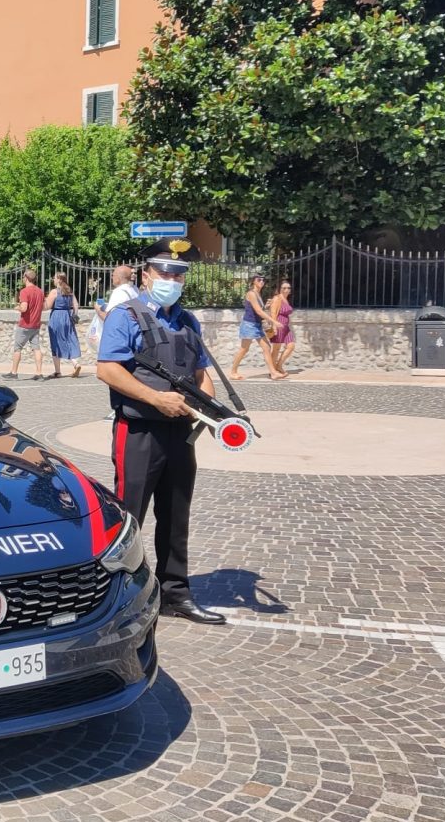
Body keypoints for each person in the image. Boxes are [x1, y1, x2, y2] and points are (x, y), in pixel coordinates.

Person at [96, 237, 225, 626]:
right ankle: (115, 595)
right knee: (128, 515)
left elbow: (202, 376)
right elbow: (108, 369)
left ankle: (175, 593)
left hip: (180, 433)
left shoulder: (187, 321)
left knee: (176, 514)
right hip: (139, 432)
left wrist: (209, 413)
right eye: (164, 271)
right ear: (146, 273)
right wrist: (156, 399)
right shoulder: (127, 315)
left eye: (179, 273)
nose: (171, 277)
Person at [230, 274, 287, 380]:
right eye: (259, 280)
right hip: (249, 325)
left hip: (256, 325)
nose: (262, 281)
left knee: (266, 347)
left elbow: (259, 309)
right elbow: (258, 311)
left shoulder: (257, 293)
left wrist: (266, 306)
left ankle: (273, 373)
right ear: (253, 281)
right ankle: (233, 372)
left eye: (263, 280)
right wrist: (274, 321)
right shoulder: (251, 293)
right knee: (244, 349)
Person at [4, 269, 44, 381]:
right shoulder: (40, 291)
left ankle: (14, 372)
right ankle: (39, 373)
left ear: (26, 277)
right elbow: (42, 306)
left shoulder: (24, 291)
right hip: (36, 325)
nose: (22, 278)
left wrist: (17, 307)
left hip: (25, 324)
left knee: (17, 348)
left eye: (23, 276)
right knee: (36, 348)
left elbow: (24, 308)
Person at [44, 273, 82, 378]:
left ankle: (58, 371)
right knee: (68, 339)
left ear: (59, 280)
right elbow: (76, 304)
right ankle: (75, 363)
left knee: (56, 341)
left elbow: (47, 306)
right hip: (67, 316)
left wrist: (40, 304)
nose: (53, 279)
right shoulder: (69, 291)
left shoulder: (54, 292)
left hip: (57, 317)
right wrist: (75, 315)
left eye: (54, 278)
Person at [268, 280, 296, 373]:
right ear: (280, 289)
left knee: (291, 346)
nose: (286, 290)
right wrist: (274, 326)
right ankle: (272, 370)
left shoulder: (286, 299)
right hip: (278, 325)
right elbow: (273, 312)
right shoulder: (277, 298)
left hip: (286, 327)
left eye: (288, 288)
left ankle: (279, 365)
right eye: (284, 288)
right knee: (276, 349)